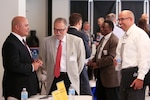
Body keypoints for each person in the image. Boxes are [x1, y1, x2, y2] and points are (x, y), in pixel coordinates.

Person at [39, 17, 85, 95]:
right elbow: (43, 61)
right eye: (55, 30)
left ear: (66, 29)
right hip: (54, 77)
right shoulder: (46, 42)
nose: (58, 33)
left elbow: (80, 62)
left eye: (61, 30)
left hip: (70, 78)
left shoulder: (77, 41)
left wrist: (73, 72)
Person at [2, 16, 43, 100]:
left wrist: (34, 62)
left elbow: (22, 60)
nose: (29, 28)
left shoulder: (20, 41)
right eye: (26, 25)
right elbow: (13, 66)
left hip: (26, 89)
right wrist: (32, 67)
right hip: (17, 91)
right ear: (17, 27)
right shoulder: (11, 43)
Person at [115, 10, 150, 100]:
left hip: (135, 74)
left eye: (122, 19)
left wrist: (140, 77)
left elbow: (145, 58)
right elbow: (120, 55)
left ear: (131, 19)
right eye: (119, 20)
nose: (120, 22)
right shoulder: (123, 37)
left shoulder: (140, 35)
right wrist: (117, 61)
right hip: (124, 75)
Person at [87, 20, 120, 100]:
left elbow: (111, 57)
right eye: (101, 27)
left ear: (110, 29)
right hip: (101, 76)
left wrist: (97, 64)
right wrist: (92, 61)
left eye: (103, 27)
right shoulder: (103, 39)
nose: (101, 29)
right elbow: (98, 54)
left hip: (110, 78)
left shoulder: (114, 40)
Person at [67, 13, 92, 95]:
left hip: (65, 70)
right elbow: (87, 54)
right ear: (80, 22)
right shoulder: (82, 35)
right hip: (79, 69)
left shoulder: (64, 34)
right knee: (86, 95)